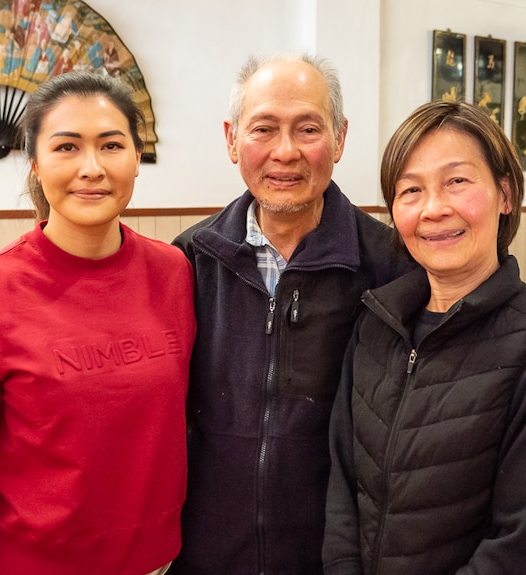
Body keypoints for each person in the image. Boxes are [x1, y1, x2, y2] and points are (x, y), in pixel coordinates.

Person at [0, 71, 196, 575]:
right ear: (36, 164)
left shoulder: (174, 274)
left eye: (111, 145)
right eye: (66, 147)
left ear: (137, 158)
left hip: (160, 562)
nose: (91, 168)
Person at [322, 100, 526, 575]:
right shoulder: (374, 324)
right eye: (411, 189)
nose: (434, 208)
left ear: (506, 194)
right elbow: (342, 493)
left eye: (457, 181)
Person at [169, 53, 416, 574]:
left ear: (340, 138)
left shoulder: (393, 266)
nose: (285, 152)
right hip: (208, 554)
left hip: (335, 557)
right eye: (264, 128)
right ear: (232, 138)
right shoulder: (191, 260)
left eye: (308, 128)